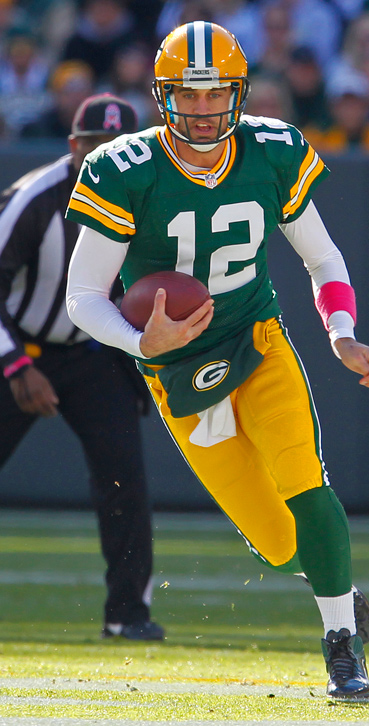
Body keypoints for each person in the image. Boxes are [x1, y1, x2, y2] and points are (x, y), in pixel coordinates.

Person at [65, 22, 369, 698]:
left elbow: (322, 257)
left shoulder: (271, 150)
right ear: (164, 96)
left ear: (239, 93)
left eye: (217, 94)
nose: (205, 108)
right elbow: (84, 297)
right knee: (278, 544)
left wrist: (340, 331)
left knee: (307, 484)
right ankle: (337, 583)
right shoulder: (125, 167)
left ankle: (340, 643)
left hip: (256, 340)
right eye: (190, 94)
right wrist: (142, 342)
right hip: (178, 373)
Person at [0, 93, 164, 641]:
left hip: (93, 353)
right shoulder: (34, 199)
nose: (106, 157)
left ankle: (128, 614)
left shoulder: (152, 198)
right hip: (19, 347)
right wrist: (16, 367)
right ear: (73, 146)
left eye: (120, 146)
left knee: (124, 479)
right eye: (96, 145)